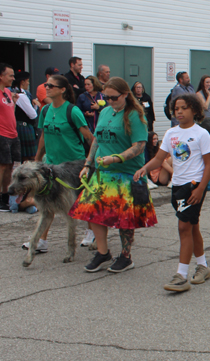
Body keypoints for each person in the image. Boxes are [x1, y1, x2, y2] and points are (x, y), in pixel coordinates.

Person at [69, 77, 157, 273]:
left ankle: (126, 257)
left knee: (124, 219)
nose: (109, 101)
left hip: (126, 173)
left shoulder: (135, 115)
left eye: (114, 98)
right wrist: (87, 164)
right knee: (93, 213)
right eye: (106, 98)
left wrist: (116, 158)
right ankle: (103, 253)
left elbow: (139, 146)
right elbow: (97, 140)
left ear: (125, 94)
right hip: (103, 172)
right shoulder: (106, 112)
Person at [135, 94, 210, 292]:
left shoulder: (201, 134)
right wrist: (144, 169)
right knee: (192, 226)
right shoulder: (171, 133)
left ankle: (181, 275)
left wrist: (201, 188)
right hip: (177, 186)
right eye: (176, 108)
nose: (179, 111)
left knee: (183, 228)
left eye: (184, 108)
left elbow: (209, 164)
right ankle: (203, 266)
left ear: (195, 110)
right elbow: (159, 158)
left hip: (193, 186)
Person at [25, 74, 94, 251]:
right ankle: (42, 241)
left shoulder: (73, 111)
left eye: (51, 86)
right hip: (52, 166)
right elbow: (44, 136)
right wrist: (37, 159)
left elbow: (89, 138)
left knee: (81, 200)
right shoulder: (46, 110)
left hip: (74, 164)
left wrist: (90, 161)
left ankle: (91, 232)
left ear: (62, 90)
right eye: (46, 85)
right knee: (47, 202)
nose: (47, 88)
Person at [0, 63, 21, 211]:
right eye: (10, 75)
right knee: (2, 166)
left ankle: (5, 196)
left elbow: (9, 113)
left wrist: (14, 102)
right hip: (2, 134)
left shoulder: (7, 91)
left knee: (10, 166)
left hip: (13, 133)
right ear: (1, 76)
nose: (13, 78)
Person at [12, 71, 38, 161]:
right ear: (22, 82)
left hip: (19, 126)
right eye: (27, 81)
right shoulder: (21, 96)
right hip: (24, 127)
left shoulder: (17, 93)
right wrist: (36, 106)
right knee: (29, 157)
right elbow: (32, 115)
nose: (29, 83)